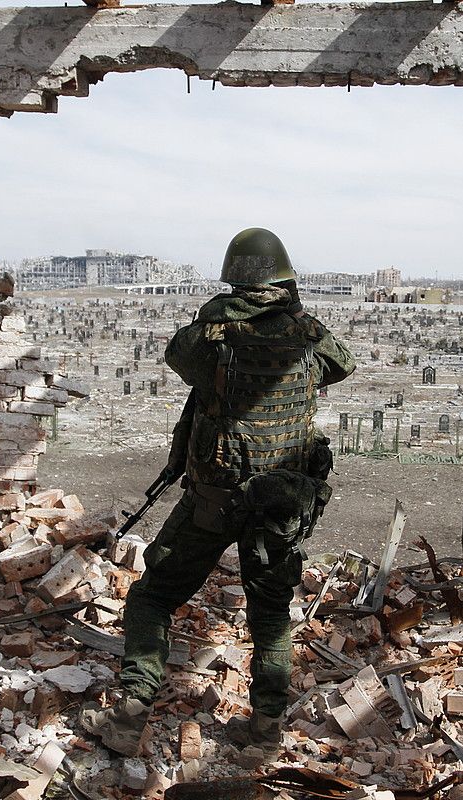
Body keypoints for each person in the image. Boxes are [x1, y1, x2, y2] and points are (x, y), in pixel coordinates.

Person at [82, 228, 357, 763]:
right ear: (284, 277)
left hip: (214, 499)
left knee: (153, 598)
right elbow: (341, 364)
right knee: (272, 614)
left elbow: (175, 354)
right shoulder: (306, 334)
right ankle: (266, 729)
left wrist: (218, 316)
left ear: (234, 277)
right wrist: (296, 318)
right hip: (280, 503)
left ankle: (130, 714)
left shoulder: (212, 337)